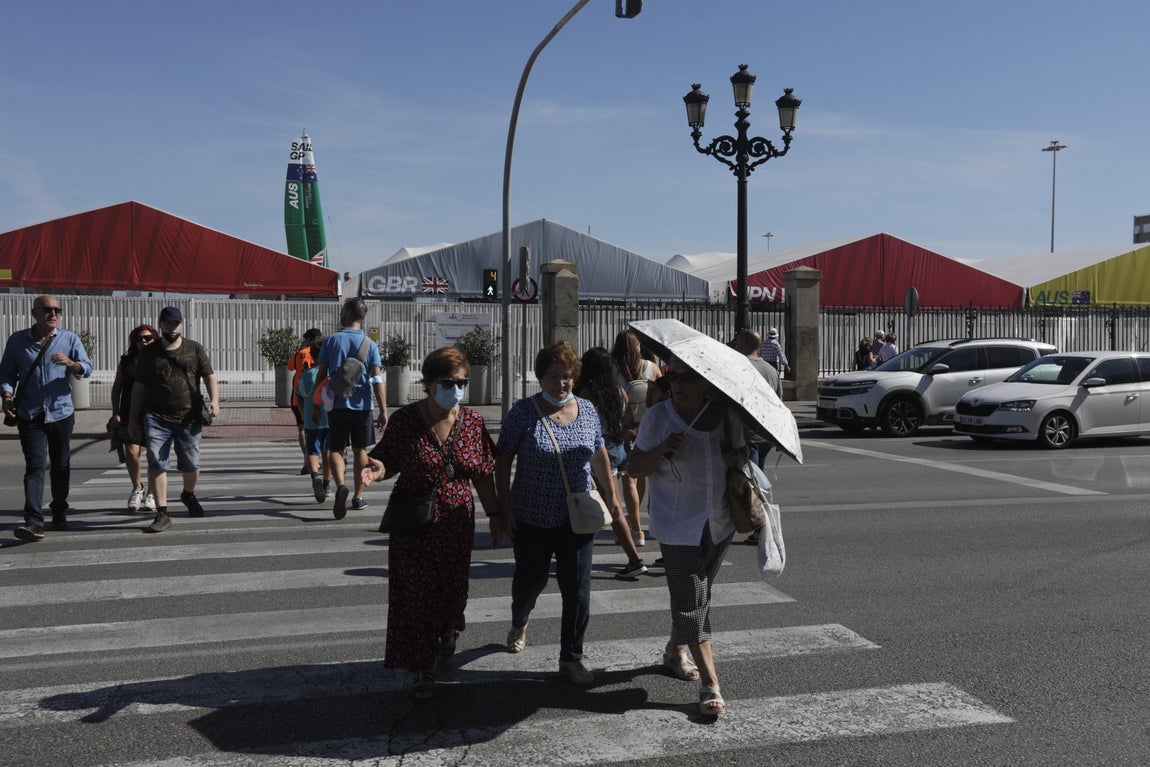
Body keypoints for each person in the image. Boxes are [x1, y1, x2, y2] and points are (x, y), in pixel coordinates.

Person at [361, 347, 499, 700]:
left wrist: (496, 516)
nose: (456, 389)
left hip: (457, 522)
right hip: (414, 520)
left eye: (462, 382)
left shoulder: (472, 423)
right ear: (427, 383)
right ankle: (422, 668)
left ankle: (449, 629)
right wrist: (377, 470)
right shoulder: (407, 420)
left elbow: (483, 474)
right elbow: (386, 459)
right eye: (448, 382)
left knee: (453, 592)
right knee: (417, 597)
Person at [495, 340, 624, 687]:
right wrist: (503, 509)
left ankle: (571, 657)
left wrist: (613, 498)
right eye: (554, 377)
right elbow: (503, 458)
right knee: (530, 581)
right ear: (540, 377)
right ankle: (520, 619)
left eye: (567, 376)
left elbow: (599, 454)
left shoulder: (587, 409)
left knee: (578, 589)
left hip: (577, 516)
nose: (561, 383)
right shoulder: (523, 412)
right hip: (531, 514)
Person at [628, 357, 747, 717]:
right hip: (678, 524)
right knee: (692, 602)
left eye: (688, 377)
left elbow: (743, 457)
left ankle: (674, 649)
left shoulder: (726, 415)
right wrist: (661, 450)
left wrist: (736, 456)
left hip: (719, 521)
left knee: (697, 596)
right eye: (672, 377)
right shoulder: (658, 417)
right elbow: (634, 467)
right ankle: (711, 683)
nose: (678, 384)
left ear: (706, 381)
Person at [0, 295, 92, 541]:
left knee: (61, 465)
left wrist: (71, 363)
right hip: (30, 414)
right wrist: (7, 396)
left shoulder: (69, 338)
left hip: (61, 412)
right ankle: (33, 521)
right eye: (47, 310)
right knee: (35, 466)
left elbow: (87, 367)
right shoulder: (18, 340)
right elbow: (7, 373)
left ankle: (59, 512)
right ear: (35, 313)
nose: (53, 314)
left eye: (57, 310)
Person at [128, 306, 220, 533]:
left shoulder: (194, 348)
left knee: (191, 465)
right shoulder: (150, 353)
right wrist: (132, 419)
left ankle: (188, 494)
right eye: (168, 323)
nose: (173, 327)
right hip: (156, 417)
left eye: (176, 323)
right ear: (161, 324)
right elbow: (138, 387)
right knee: (156, 462)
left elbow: (209, 376)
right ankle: (162, 512)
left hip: (189, 417)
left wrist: (215, 400)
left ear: (181, 324)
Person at [573, 346, 647, 579]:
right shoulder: (619, 391)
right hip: (618, 448)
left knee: (611, 506)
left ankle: (634, 560)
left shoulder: (586, 392)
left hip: (599, 451)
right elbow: (627, 421)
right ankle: (575, 552)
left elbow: (580, 423)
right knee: (603, 502)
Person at [312, 297, 387, 519]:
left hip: (337, 403)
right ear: (362, 317)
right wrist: (383, 409)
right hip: (363, 406)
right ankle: (358, 496)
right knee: (360, 451)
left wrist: (316, 404)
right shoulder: (370, 344)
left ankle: (341, 485)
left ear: (345, 314)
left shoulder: (331, 341)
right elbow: (376, 379)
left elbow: (321, 375)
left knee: (335, 449)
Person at [609, 329, 661, 546]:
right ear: (636, 347)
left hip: (622, 427)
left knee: (628, 476)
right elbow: (663, 394)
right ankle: (642, 517)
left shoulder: (612, 370)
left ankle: (633, 518)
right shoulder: (651, 367)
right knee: (646, 475)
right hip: (649, 426)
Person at [110, 324, 158, 513]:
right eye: (139, 338)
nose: (143, 341)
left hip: (156, 413)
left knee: (154, 455)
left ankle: (153, 494)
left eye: (148, 338)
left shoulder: (160, 359)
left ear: (155, 339)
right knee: (131, 452)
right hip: (130, 413)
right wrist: (115, 411)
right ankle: (138, 487)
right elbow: (117, 388)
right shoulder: (127, 361)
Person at [732, 328, 779, 470]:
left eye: (737, 344)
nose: (735, 347)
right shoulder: (772, 371)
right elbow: (779, 403)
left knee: (750, 482)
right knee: (759, 477)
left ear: (745, 344)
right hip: (766, 435)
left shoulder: (738, 367)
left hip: (746, 436)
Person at [296, 332, 332, 502]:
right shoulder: (332, 374)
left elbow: (300, 396)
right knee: (328, 451)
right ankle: (326, 484)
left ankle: (315, 476)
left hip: (312, 414)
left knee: (312, 450)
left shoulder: (307, 374)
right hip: (329, 414)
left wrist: (303, 415)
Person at [288, 328, 323, 475]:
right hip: (318, 396)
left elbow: (290, 367)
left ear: (308, 339)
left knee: (302, 428)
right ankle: (320, 460)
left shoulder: (299, 354)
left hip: (298, 397)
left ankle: (307, 460)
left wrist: (300, 349)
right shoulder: (322, 354)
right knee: (321, 429)